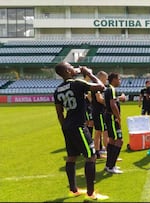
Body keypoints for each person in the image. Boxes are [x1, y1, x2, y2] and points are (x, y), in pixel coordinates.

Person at [54, 62, 109, 200]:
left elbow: (60, 114)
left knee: (71, 157)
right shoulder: (77, 83)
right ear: (67, 71)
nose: (74, 67)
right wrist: (89, 73)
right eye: (71, 66)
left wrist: (64, 127)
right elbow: (101, 87)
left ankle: (73, 189)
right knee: (91, 156)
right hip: (79, 125)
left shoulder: (58, 90)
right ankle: (91, 193)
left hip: (67, 126)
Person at [104, 72, 125, 173]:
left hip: (109, 116)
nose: (120, 81)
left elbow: (112, 101)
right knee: (119, 140)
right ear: (114, 80)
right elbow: (112, 104)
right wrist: (118, 117)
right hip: (112, 118)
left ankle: (109, 165)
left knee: (112, 140)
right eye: (119, 79)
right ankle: (111, 166)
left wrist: (119, 99)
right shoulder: (111, 89)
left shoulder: (108, 89)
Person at [91, 71, 109, 159]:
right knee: (105, 132)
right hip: (100, 112)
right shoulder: (98, 87)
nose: (106, 80)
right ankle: (110, 154)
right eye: (105, 78)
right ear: (101, 78)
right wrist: (111, 102)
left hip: (96, 111)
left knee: (97, 133)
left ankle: (97, 153)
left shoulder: (94, 86)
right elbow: (99, 99)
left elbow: (91, 98)